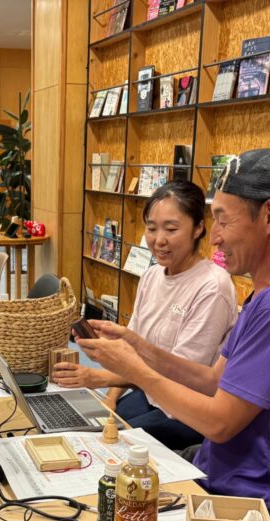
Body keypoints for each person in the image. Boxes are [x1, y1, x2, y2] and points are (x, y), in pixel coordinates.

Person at [75, 149, 270, 521]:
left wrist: (138, 371)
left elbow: (218, 423)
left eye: (223, 221)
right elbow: (213, 380)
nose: (214, 237)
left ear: (269, 216)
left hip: (255, 512)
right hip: (225, 478)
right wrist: (137, 346)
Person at [54, 181, 237, 449]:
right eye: (151, 228)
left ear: (198, 228)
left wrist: (100, 377)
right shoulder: (152, 275)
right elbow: (132, 348)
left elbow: (182, 376)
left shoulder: (212, 286)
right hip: (147, 393)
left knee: (101, 445)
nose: (158, 240)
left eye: (171, 229)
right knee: (81, 426)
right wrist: (111, 397)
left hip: (184, 412)